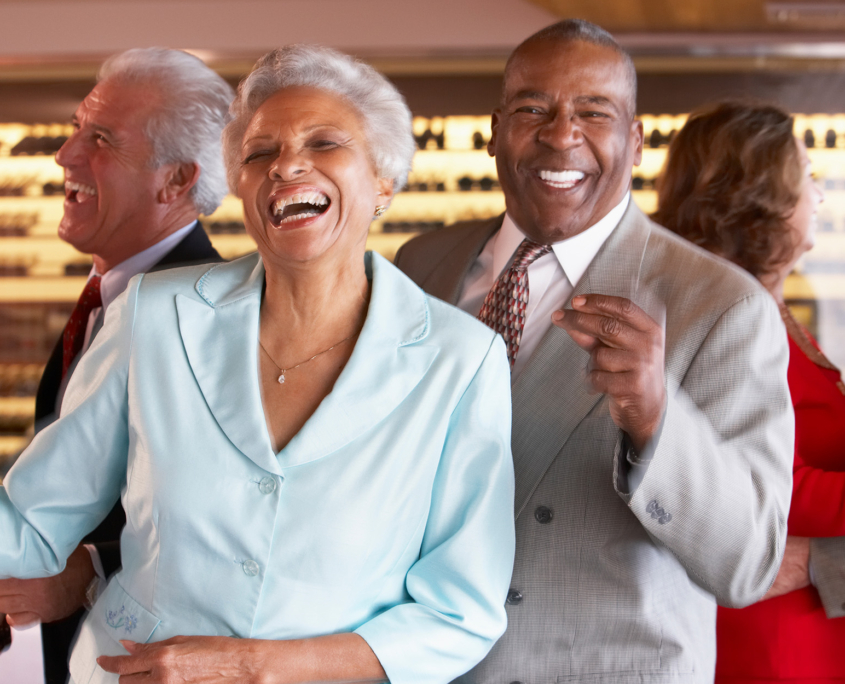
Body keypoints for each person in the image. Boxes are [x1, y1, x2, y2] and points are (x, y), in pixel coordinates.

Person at [0, 44, 515, 684]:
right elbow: (28, 523)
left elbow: (459, 612)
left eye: (324, 143)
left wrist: (251, 666)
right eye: (259, 153)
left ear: (383, 181)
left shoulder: (461, 361)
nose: (287, 167)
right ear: (239, 186)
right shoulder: (153, 315)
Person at [395, 19, 793, 684]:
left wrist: (654, 418)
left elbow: (747, 561)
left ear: (634, 142)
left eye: (593, 111)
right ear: (496, 128)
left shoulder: (722, 303)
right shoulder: (420, 263)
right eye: (532, 109)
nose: (559, 134)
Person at [0, 47, 230, 684]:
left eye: (100, 138)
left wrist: (91, 569)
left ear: (177, 181)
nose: (65, 154)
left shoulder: (210, 315)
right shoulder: (110, 295)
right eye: (77, 126)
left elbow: (226, 510)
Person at [653, 100, 845, 683]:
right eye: (806, 177)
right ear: (764, 195)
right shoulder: (729, 315)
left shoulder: (767, 308)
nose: (818, 196)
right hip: (770, 640)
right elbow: (768, 482)